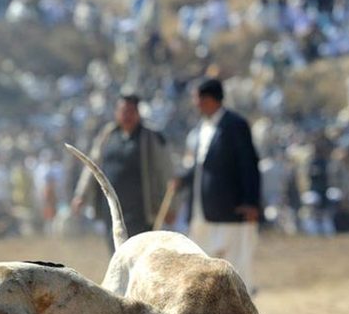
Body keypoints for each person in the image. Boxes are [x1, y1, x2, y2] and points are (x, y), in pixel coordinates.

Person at [178, 78, 261, 290]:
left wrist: (251, 201)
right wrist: (181, 180)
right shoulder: (201, 129)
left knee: (235, 267)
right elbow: (200, 166)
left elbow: (249, 164)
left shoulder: (235, 125)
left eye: (198, 98)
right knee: (202, 264)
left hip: (231, 211)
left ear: (209, 99)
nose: (195, 103)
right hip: (203, 211)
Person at [73, 94, 173, 248]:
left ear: (138, 113)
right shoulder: (107, 135)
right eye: (123, 111)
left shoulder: (151, 137)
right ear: (116, 113)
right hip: (111, 209)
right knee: (116, 252)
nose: (127, 115)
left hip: (141, 211)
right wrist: (81, 195)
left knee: (138, 253)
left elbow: (166, 171)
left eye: (131, 111)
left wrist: (171, 206)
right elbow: (92, 166)